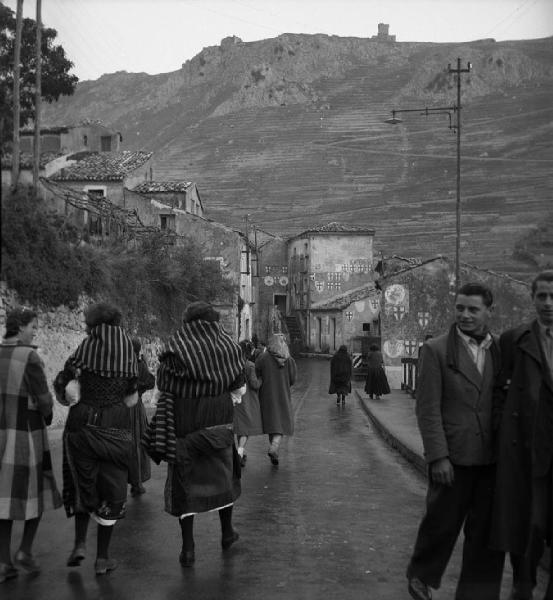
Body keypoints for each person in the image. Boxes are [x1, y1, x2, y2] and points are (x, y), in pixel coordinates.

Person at [406, 283, 505, 600]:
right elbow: (427, 408)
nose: (465, 315)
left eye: (473, 309)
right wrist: (438, 457)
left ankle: (477, 593)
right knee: (441, 522)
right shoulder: (435, 351)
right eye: (460, 308)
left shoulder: (500, 349)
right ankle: (420, 576)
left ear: (489, 311)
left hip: (490, 459)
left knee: (487, 535)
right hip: (453, 457)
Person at [144, 301, 245, 568]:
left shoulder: (173, 351)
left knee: (184, 484)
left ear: (186, 323)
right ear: (214, 322)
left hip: (183, 426)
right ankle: (227, 533)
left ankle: (188, 549)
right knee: (224, 477)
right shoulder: (229, 349)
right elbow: (239, 391)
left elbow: (162, 391)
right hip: (219, 425)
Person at [54, 302, 138, 576]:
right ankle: (102, 558)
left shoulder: (85, 349)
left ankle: (79, 543)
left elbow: (62, 381)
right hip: (115, 425)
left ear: (92, 325)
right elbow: (137, 388)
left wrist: (68, 394)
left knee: (82, 483)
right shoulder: (128, 351)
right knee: (112, 488)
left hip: (82, 424)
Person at [491, 270, 553, 600]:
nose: (548, 303)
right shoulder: (515, 340)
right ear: (532, 299)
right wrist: (505, 432)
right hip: (529, 452)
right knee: (531, 524)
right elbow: (498, 393)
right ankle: (523, 586)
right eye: (542, 296)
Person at [0, 308, 61, 582]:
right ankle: (24, 550)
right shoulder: (29, 356)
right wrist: (47, 414)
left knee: (4, 498)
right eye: (33, 326)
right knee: (36, 493)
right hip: (27, 434)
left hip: (1, 435)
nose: (35, 331)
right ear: (21, 327)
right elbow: (44, 398)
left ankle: (3, 562)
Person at [256, 333, 297, 466]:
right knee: (282, 422)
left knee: (271, 423)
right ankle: (274, 446)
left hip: (267, 395)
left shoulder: (263, 358)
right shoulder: (289, 360)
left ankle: (274, 448)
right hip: (283, 394)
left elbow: (257, 373)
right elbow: (292, 379)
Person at [128, 338, 155, 497]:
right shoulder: (139, 365)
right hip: (135, 408)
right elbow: (150, 382)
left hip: (120, 407)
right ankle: (137, 482)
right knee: (137, 442)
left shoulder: (122, 365)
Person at [234, 340, 263, 468]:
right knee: (246, 429)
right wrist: (262, 379)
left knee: (240, 428)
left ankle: (242, 452)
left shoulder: (234, 364)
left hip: (236, 398)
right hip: (248, 400)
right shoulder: (250, 365)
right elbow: (254, 384)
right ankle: (239, 453)